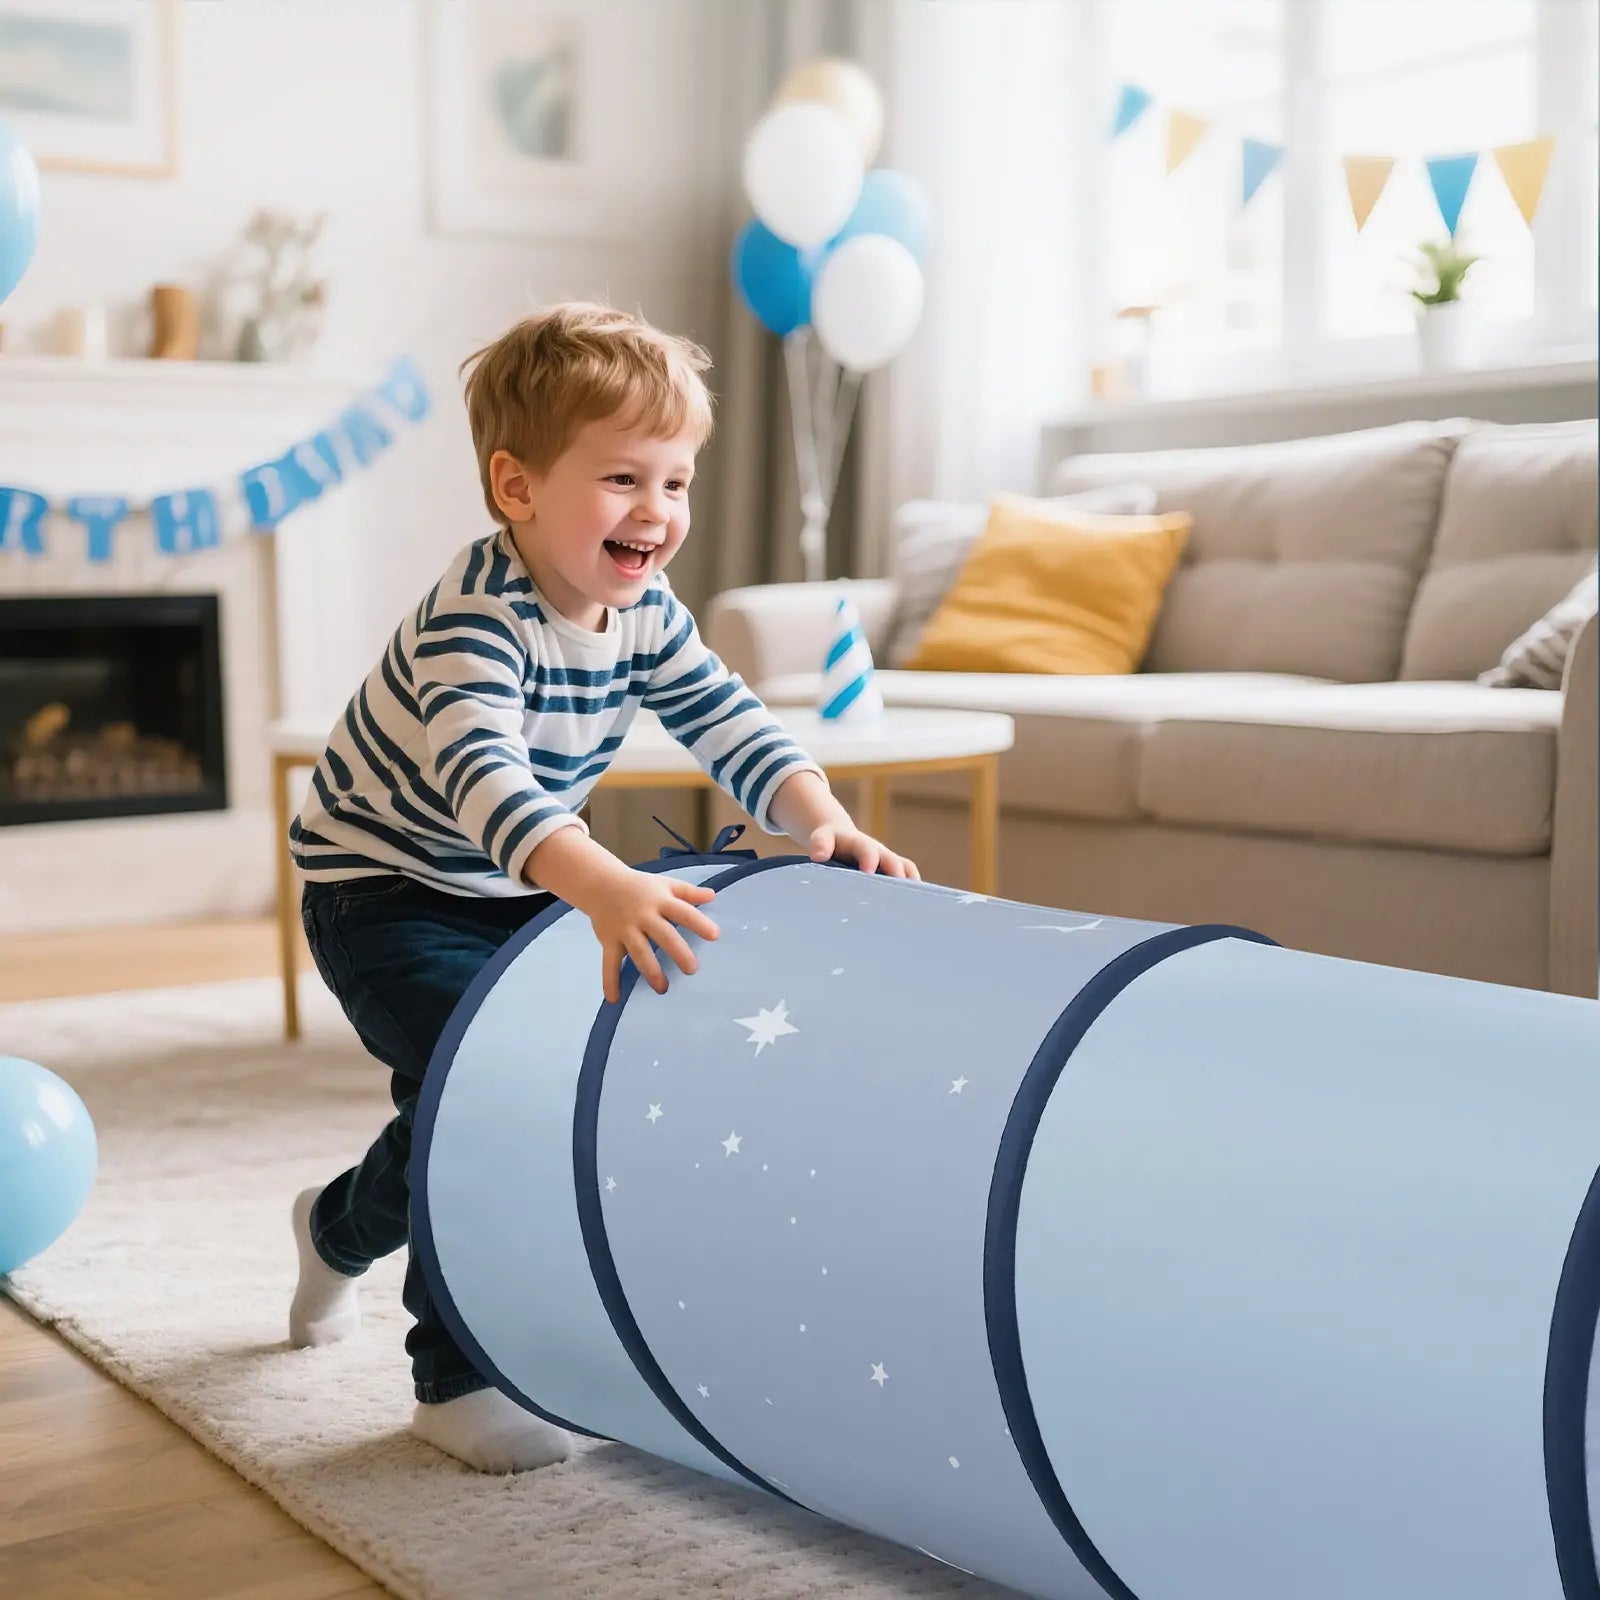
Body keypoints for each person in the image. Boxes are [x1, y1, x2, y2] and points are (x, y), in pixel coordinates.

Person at [285, 301, 918, 1473]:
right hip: (387, 884)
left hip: (522, 877)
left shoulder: (644, 614)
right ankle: (453, 1376)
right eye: (624, 478)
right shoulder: (475, 624)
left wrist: (823, 822)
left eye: (676, 481)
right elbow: (486, 783)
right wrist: (606, 885)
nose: (659, 513)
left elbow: (730, 722)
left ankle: (336, 1226)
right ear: (516, 489)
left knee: (489, 1100)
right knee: (483, 1098)